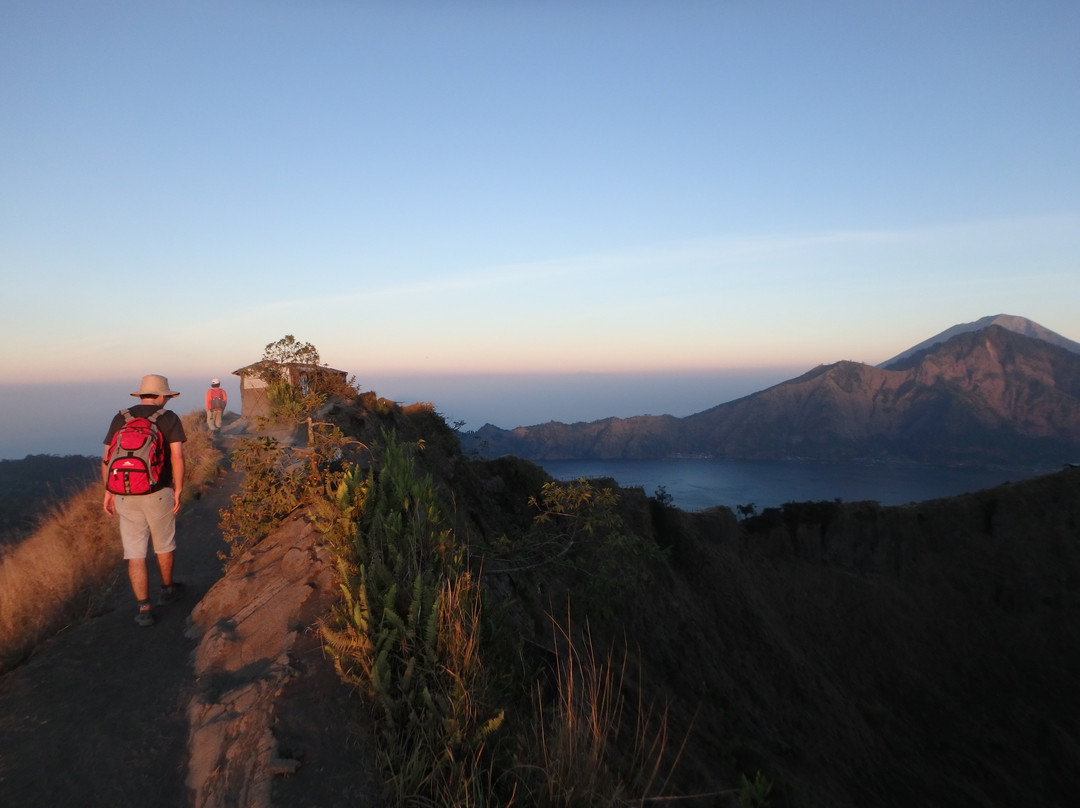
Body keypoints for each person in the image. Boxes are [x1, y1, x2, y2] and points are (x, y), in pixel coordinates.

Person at [102, 374, 187, 627]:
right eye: (167, 397)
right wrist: (179, 489)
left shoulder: (121, 417)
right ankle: (167, 589)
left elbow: (107, 457)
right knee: (164, 544)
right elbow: (177, 458)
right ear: (162, 396)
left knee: (135, 553)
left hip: (124, 494)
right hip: (158, 492)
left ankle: (144, 609)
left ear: (141, 394)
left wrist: (108, 491)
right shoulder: (168, 418)